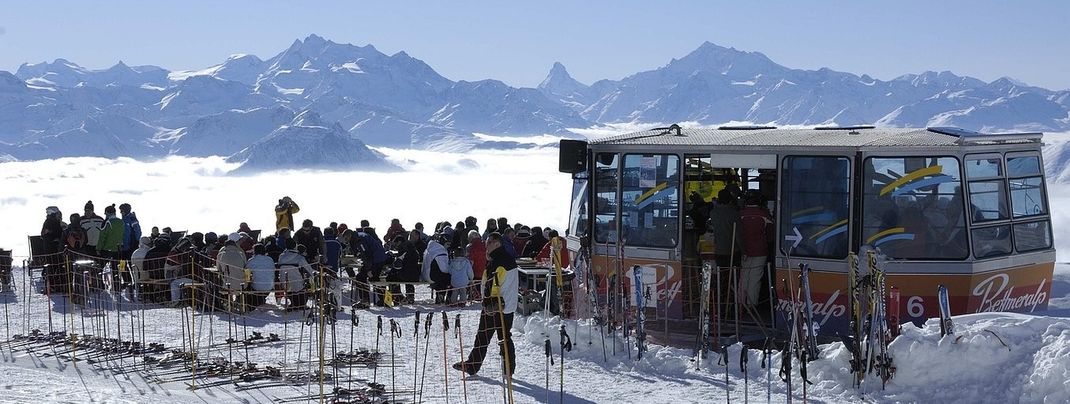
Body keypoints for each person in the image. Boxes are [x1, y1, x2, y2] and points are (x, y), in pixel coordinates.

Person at [453, 232, 518, 377]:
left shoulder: (497, 261)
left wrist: (487, 302)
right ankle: (508, 369)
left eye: (488, 243)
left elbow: (492, 284)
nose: (486, 246)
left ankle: (473, 365)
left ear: (497, 243)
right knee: (504, 337)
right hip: (507, 305)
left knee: (485, 337)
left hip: (495, 306)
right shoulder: (506, 258)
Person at [739, 190, 772, 306]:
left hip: (744, 251)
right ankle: (751, 304)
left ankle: (741, 304)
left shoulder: (740, 214)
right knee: (755, 278)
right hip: (761, 250)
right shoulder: (765, 215)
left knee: (744, 277)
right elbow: (770, 235)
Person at [706, 189, 743, 268]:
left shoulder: (713, 213)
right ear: (730, 200)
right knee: (734, 274)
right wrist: (744, 251)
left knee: (722, 273)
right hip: (733, 250)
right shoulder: (734, 213)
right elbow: (738, 235)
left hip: (719, 249)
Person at [98, 204, 125, 292]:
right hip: (119, 249)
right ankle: (118, 286)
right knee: (118, 268)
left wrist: (98, 248)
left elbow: (102, 236)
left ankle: (101, 286)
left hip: (107, 249)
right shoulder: (121, 222)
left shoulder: (107, 222)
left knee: (100, 268)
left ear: (108, 213)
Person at [218, 233, 248, 310]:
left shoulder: (221, 253)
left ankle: (229, 303)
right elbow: (245, 266)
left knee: (225, 278)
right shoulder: (241, 253)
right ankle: (241, 303)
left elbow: (219, 268)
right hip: (242, 284)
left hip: (227, 283)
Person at [278, 238, 311, 309]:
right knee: (307, 280)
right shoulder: (299, 257)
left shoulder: (281, 256)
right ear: (295, 245)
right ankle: (302, 304)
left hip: (285, 284)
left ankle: (293, 303)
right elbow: (310, 270)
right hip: (298, 284)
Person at [245, 244, 276, 308]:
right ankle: (260, 299)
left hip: (256, 287)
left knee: (248, 281)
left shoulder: (251, 261)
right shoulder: (270, 259)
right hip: (269, 286)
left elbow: (246, 276)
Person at [422, 235, 451, 304]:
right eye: (448, 244)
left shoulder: (430, 248)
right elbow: (444, 269)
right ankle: (443, 296)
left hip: (425, 275)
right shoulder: (441, 251)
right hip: (433, 277)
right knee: (449, 277)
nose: (448, 246)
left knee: (441, 275)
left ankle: (439, 294)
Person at [129, 236, 151, 301]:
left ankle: (140, 293)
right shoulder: (149, 252)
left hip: (138, 276)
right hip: (148, 275)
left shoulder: (135, 253)